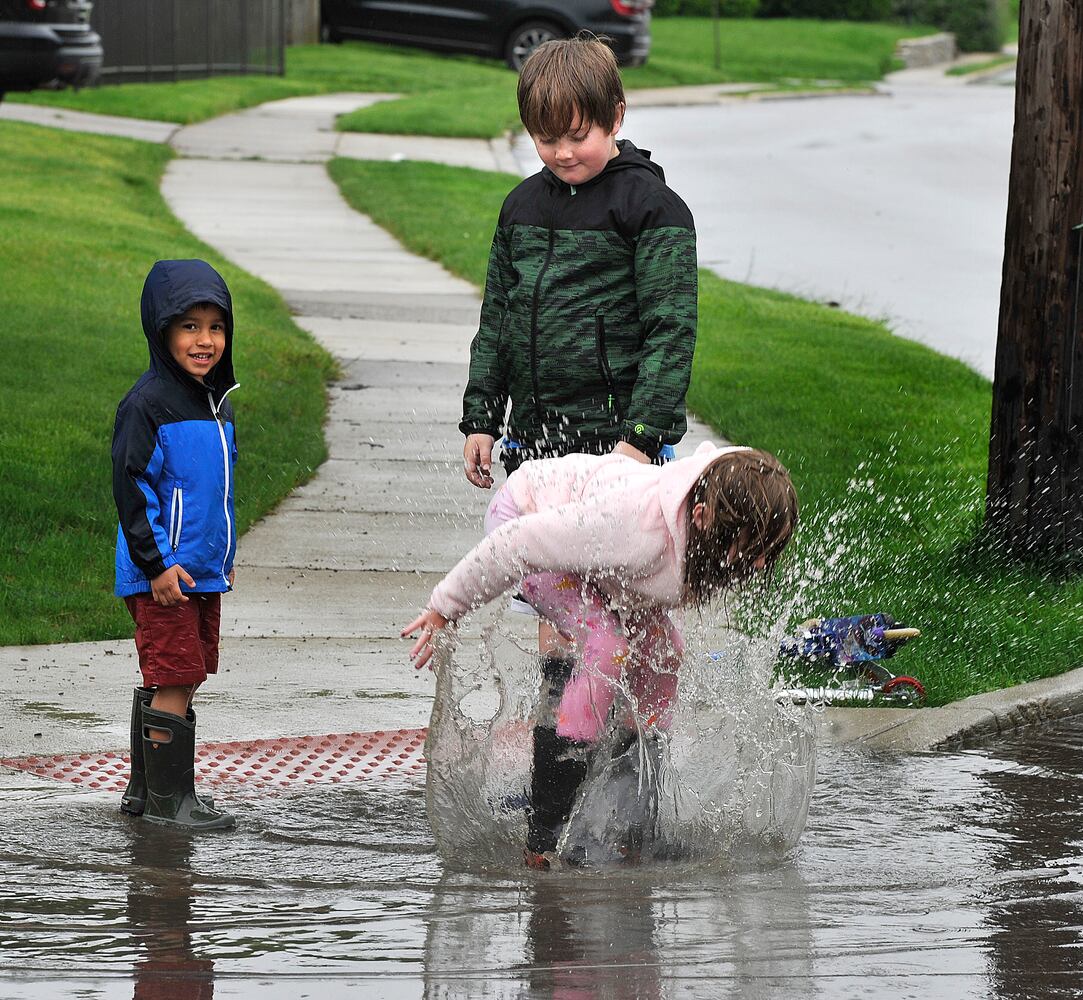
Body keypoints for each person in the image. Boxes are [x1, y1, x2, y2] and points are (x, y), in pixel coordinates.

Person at [403, 444, 798, 869]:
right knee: (606, 646)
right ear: (701, 517)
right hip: (525, 517)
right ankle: (545, 835)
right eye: (749, 547)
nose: (758, 564)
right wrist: (445, 607)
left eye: (767, 551)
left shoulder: (709, 513)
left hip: (603, 562)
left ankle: (633, 826)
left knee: (666, 654)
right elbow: (516, 543)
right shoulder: (632, 529)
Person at [459, 33, 699, 707]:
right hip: (537, 443)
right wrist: (482, 415)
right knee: (556, 598)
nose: (562, 154)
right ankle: (558, 745)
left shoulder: (652, 210)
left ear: (615, 118)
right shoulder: (521, 209)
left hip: (618, 443)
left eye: (576, 136)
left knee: (623, 602)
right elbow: (499, 321)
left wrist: (641, 438)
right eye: (545, 140)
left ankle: (629, 748)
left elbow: (669, 331)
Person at [112, 258, 239, 832]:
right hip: (164, 573)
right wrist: (157, 564)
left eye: (215, 327)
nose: (205, 340)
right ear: (161, 330)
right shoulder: (148, 404)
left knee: (171, 676)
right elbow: (133, 488)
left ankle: (146, 792)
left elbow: (216, 492)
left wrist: (219, 558)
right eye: (189, 326)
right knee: (176, 676)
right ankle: (171, 803)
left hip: (199, 571)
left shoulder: (216, 404)